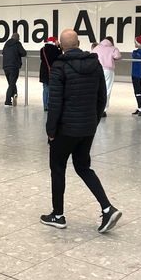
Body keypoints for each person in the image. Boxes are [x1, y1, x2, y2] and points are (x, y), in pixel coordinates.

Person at [41, 29, 122, 233]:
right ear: (78, 43)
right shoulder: (94, 63)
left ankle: (58, 215)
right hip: (86, 128)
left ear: (61, 45)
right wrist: (92, 121)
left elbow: (55, 103)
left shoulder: (60, 66)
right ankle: (107, 208)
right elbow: (101, 97)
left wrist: (51, 130)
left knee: (58, 168)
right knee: (83, 167)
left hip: (65, 130)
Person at [92, 36, 121, 117]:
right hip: (108, 71)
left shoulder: (97, 47)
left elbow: (92, 55)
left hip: (97, 69)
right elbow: (118, 56)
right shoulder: (113, 48)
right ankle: (103, 110)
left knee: (97, 89)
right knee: (107, 90)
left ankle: (95, 107)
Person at [2, 33, 26, 107]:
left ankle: (15, 94)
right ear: (17, 38)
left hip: (6, 66)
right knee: (12, 84)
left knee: (11, 83)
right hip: (14, 66)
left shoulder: (6, 44)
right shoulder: (17, 44)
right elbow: (23, 53)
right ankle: (7, 101)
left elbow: (3, 52)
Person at [39, 37, 61, 111]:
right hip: (53, 71)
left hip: (44, 72)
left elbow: (42, 59)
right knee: (52, 89)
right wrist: (58, 47)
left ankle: (45, 106)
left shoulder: (42, 50)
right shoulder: (55, 50)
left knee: (45, 89)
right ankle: (50, 105)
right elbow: (60, 57)